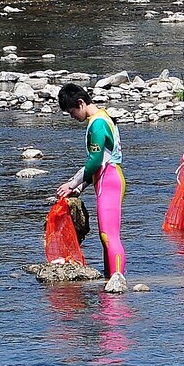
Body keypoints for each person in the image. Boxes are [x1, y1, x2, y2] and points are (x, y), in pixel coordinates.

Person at [56, 85, 127, 291]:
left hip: (110, 181)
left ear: (80, 103)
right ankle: (110, 280)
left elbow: (95, 161)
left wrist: (72, 184)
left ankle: (117, 281)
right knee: (105, 236)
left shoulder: (97, 124)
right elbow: (100, 160)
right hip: (107, 179)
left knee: (109, 235)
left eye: (71, 112)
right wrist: (83, 185)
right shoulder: (102, 118)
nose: (72, 117)